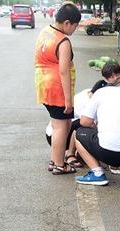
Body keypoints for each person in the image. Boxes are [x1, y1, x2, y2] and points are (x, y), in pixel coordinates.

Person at [45, 61, 120, 170]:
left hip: (59, 132)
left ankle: (74, 156)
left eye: (118, 75)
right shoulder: (91, 101)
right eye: (113, 76)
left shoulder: (96, 90)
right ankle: (70, 156)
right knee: (86, 125)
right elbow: (91, 124)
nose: (116, 78)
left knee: (89, 127)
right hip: (56, 135)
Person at [34, 3, 81, 175]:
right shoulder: (63, 41)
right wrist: (68, 100)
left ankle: (55, 160)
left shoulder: (46, 32)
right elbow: (63, 71)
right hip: (57, 89)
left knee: (59, 125)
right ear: (67, 23)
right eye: (75, 26)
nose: (75, 29)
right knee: (61, 127)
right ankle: (60, 165)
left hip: (43, 86)